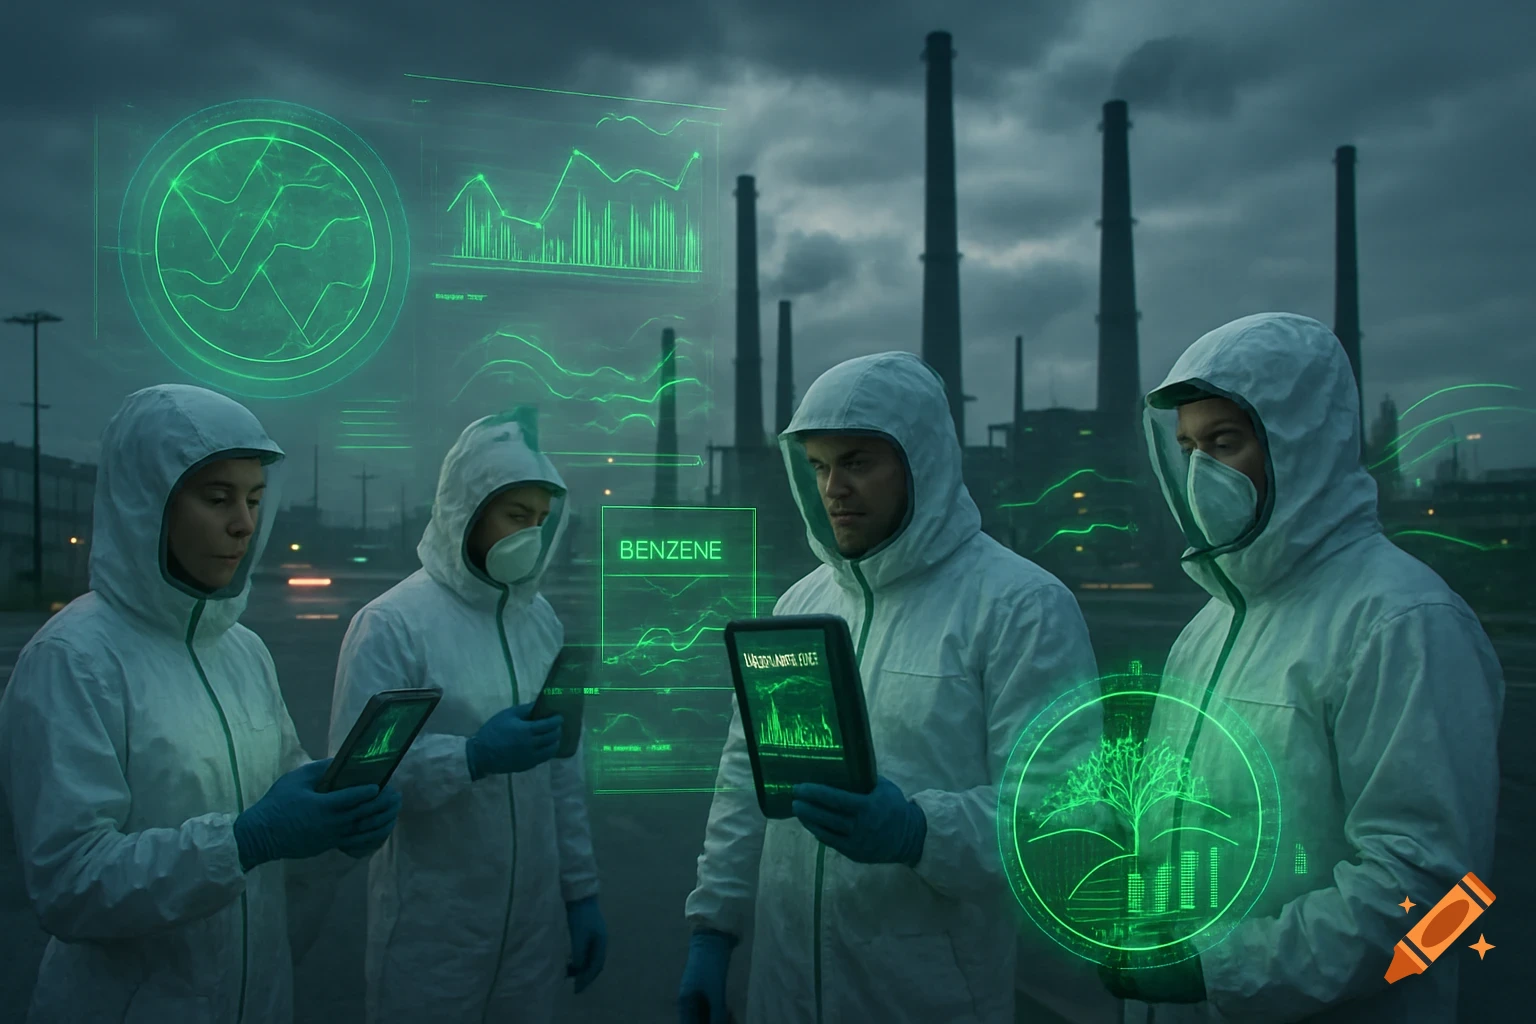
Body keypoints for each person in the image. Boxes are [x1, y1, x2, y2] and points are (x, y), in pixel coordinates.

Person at [677, 351, 1101, 1023]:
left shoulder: (1020, 607)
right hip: (784, 991)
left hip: (924, 997)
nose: (833, 487)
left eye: (857, 462)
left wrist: (919, 833)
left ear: (920, 461)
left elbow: (1064, 820)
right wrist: (713, 931)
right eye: (818, 465)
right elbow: (744, 778)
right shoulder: (800, 605)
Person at [1107, 312, 1504, 1022]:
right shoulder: (1211, 625)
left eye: (1224, 443)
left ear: (1300, 443)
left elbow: (1440, 895)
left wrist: (1222, 965)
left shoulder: (1401, 623)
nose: (1201, 472)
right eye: (1187, 448)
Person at [0, 384, 401, 1023]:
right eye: (217, 498)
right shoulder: (73, 660)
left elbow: (283, 826)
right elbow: (68, 886)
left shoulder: (243, 650)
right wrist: (241, 842)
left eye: (254, 499)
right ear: (146, 505)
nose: (244, 522)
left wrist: (336, 831)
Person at [328, 409, 605, 1024]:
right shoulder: (393, 624)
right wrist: (471, 757)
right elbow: (356, 781)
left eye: (539, 519)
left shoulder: (540, 623)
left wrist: (580, 892)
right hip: (434, 935)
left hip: (531, 933)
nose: (530, 534)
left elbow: (562, 774)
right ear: (468, 510)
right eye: (515, 515)